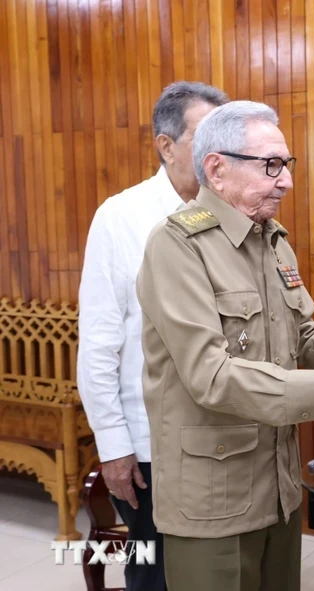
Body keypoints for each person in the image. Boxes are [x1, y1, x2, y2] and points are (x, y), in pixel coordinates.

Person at [135, 99, 314, 591]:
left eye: (286, 165)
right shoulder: (177, 247)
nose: (286, 180)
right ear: (217, 168)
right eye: (271, 165)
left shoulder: (271, 240)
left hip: (278, 488)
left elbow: (304, 338)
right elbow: (212, 375)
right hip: (213, 500)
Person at [77, 81, 229, 591]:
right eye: (205, 136)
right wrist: (115, 446)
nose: (218, 152)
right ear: (166, 146)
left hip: (220, 434)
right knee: (156, 574)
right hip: (148, 445)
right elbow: (99, 345)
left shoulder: (226, 214)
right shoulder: (120, 217)